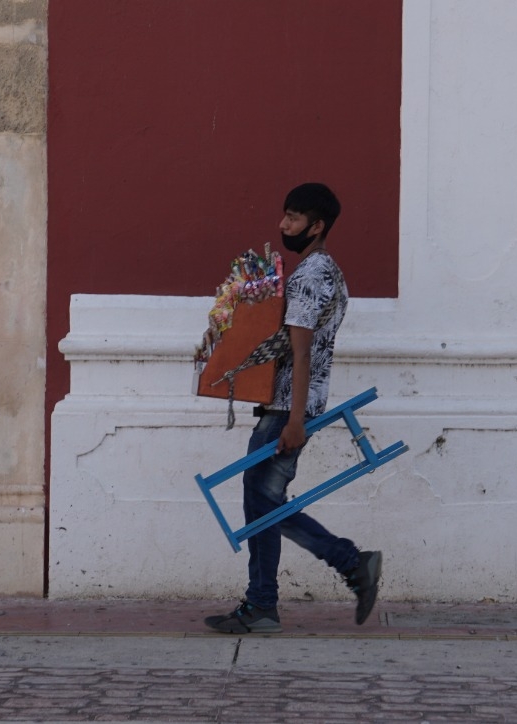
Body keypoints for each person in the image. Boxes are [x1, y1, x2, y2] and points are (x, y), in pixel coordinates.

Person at [204, 182, 382, 634]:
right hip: (290, 404)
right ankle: (263, 603)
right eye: (284, 216)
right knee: (264, 503)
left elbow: (301, 353)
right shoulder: (330, 271)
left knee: (265, 505)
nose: (283, 226)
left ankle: (346, 563)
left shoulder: (307, 277)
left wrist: (296, 420)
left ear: (316, 225)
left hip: (286, 408)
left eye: (293, 218)